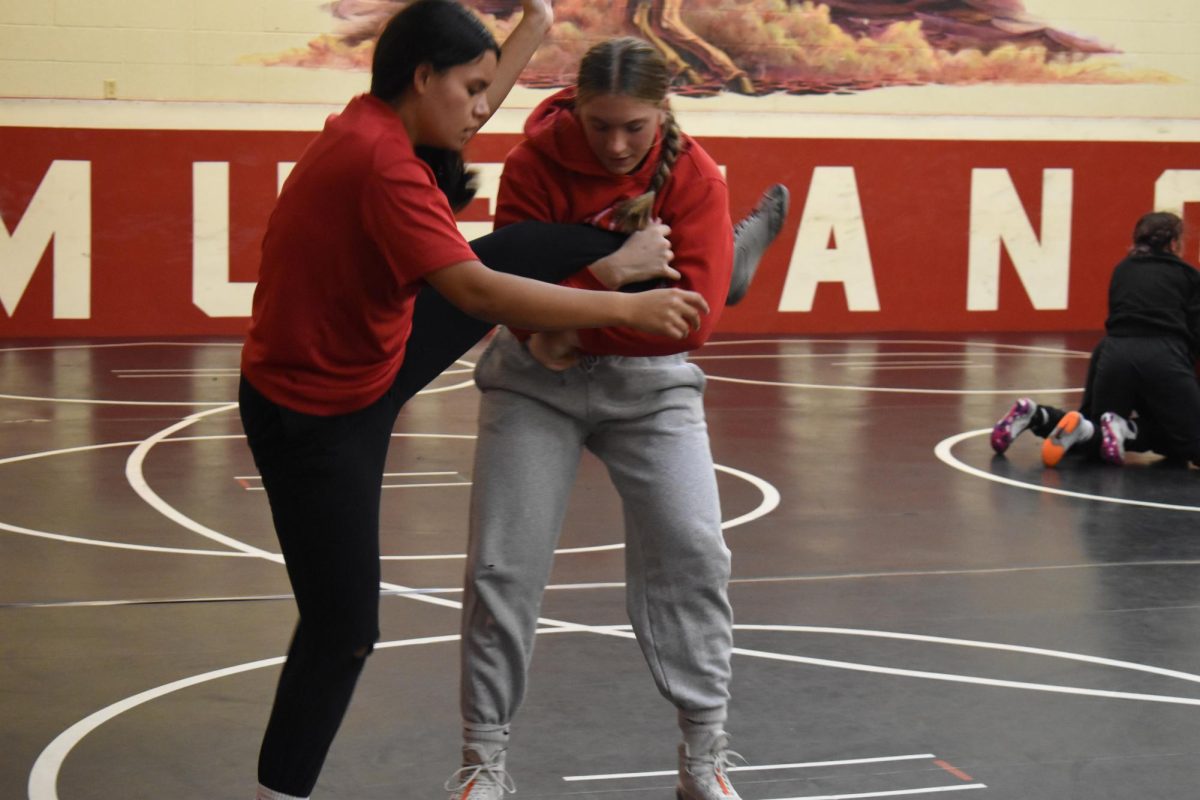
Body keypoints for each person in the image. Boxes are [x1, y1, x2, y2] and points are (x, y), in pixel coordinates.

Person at [237, 2, 714, 798]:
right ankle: (278, 791)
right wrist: (625, 307)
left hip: (364, 361)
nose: (484, 110)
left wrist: (538, 18)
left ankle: (678, 268)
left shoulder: (375, 120)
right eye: (472, 89)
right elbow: (474, 289)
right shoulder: (383, 168)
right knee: (344, 630)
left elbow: (475, 105)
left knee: (529, 243)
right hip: (323, 416)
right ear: (424, 79)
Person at [446, 36, 746, 800]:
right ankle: (484, 764)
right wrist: (613, 280)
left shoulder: (697, 177)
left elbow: (693, 323)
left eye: (634, 128)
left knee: (695, 552)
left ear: (663, 113)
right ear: (575, 107)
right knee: (499, 567)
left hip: (650, 387)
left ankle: (702, 757)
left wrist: (568, 323)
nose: (615, 144)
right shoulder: (532, 165)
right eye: (599, 124)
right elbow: (507, 293)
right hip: (532, 385)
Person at [990, 211, 1200, 468]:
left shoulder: (1122, 270)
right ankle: (1127, 428)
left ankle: (1038, 416)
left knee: (1092, 431)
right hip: (1163, 357)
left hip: (1113, 353)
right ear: (1174, 244)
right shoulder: (1189, 275)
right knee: (1188, 445)